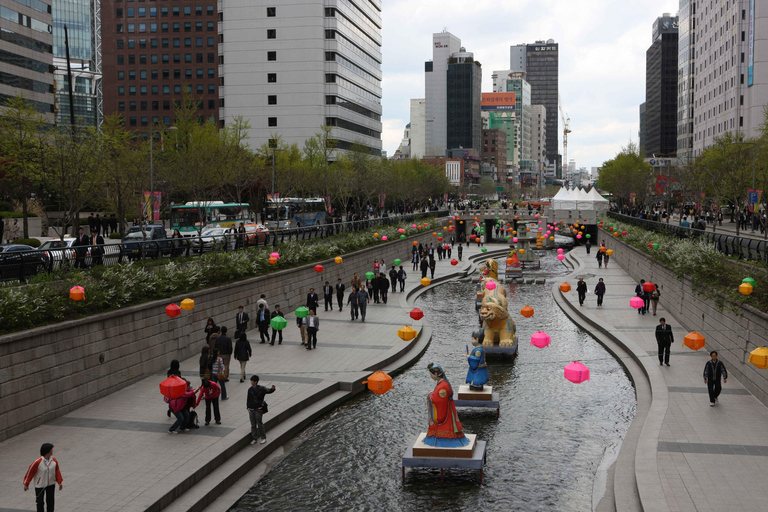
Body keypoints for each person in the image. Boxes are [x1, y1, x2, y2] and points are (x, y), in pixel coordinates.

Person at [424, 363, 469, 447]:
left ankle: (444, 440)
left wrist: (430, 395)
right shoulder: (443, 383)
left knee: (447, 425)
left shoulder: (442, 387)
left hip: (446, 410)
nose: (431, 376)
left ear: (436, 374)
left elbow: (437, 400)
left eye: (431, 375)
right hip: (449, 407)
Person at [23, 443, 63, 512]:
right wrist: (26, 483)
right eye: (51, 450)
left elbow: (57, 471)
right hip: (40, 485)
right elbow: (30, 472)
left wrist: (59, 482)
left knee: (50, 502)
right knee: (40, 502)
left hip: (51, 484)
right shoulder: (37, 462)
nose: (52, 451)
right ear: (47, 451)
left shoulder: (54, 461)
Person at [247, 375, 276, 444]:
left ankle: (263, 437)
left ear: (255, 382)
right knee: (253, 424)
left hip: (258, 409)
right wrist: (248, 408)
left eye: (252, 381)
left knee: (259, 423)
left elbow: (268, 391)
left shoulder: (261, 389)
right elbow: (248, 399)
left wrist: (272, 389)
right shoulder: (250, 389)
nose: (251, 382)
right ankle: (254, 438)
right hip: (251, 409)